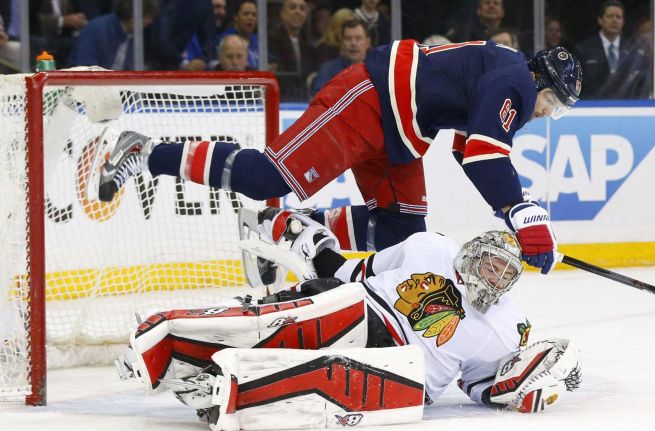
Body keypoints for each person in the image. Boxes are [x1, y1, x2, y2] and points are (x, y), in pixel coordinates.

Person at [94, 41, 582, 274]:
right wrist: (522, 213)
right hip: (370, 100)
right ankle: (147, 152)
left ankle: (289, 227)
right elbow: (484, 156)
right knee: (266, 177)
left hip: (401, 133)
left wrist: (515, 212)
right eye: (553, 103)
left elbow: (466, 147)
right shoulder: (516, 82)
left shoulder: (506, 72)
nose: (547, 113)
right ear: (540, 81)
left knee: (402, 232)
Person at [115, 207, 582, 426]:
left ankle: (227, 384)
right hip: (361, 309)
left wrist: (533, 384)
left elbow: (482, 385)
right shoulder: (431, 247)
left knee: (340, 379)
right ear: (473, 254)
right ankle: (171, 334)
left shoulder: (507, 327)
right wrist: (318, 257)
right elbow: (357, 273)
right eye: (492, 266)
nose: (496, 278)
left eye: (506, 274)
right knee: (293, 322)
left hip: (406, 374)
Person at [70, 0, 157, 70]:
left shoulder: (135, 35)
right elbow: (86, 68)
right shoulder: (96, 30)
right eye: (147, 17)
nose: (150, 22)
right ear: (133, 17)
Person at [575, 0, 628, 99]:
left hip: (627, 105)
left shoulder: (631, 49)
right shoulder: (583, 49)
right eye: (610, 16)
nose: (614, 20)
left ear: (623, 22)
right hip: (592, 105)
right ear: (600, 20)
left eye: (618, 17)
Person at [267, 0, 315, 101]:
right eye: (292, 7)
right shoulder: (271, 39)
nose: (298, 12)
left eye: (302, 8)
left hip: (300, 99)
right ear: (282, 13)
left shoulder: (307, 44)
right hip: (279, 99)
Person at [310, 19, 371, 96]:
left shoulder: (377, 69)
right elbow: (320, 98)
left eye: (358, 38)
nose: (353, 43)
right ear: (341, 43)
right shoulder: (328, 70)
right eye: (348, 38)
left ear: (368, 43)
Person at [181, 0, 229, 71]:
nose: (223, 12)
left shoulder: (224, 37)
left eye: (224, 8)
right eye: (216, 7)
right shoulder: (182, 35)